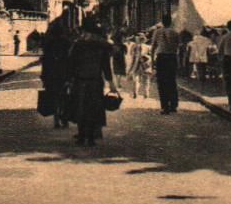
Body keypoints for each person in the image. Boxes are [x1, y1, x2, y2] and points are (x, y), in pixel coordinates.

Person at [67, 16, 117, 146]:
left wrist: (68, 80)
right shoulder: (101, 45)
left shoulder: (78, 44)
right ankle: (90, 137)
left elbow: (71, 63)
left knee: (80, 108)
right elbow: (106, 67)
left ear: (84, 31)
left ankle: (82, 136)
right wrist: (112, 85)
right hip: (95, 81)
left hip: (79, 81)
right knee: (93, 109)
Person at [41, 18, 72, 129]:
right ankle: (64, 118)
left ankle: (56, 120)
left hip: (51, 75)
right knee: (64, 96)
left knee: (54, 97)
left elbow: (45, 61)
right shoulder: (67, 43)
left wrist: (43, 77)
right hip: (63, 74)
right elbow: (70, 60)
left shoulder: (49, 44)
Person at [150, 14, 179, 114]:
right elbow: (177, 46)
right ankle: (174, 105)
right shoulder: (175, 33)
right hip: (172, 58)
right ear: (171, 22)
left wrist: (152, 62)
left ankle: (165, 106)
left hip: (161, 58)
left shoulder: (157, 32)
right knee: (172, 81)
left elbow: (153, 47)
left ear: (162, 22)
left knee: (162, 83)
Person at [126, 34, 153, 98]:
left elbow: (133, 57)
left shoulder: (136, 46)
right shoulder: (148, 47)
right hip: (145, 65)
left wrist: (130, 68)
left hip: (139, 65)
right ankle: (145, 93)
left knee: (137, 79)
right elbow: (152, 57)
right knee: (145, 80)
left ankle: (137, 92)